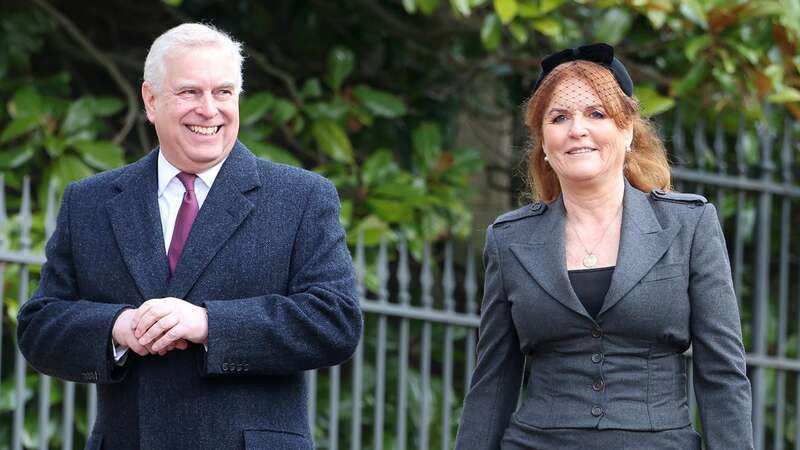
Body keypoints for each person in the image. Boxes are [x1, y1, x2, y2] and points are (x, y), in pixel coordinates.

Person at [17, 23, 362, 450]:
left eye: (223, 92)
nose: (209, 109)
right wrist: (117, 327)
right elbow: (39, 327)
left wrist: (207, 323)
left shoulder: (302, 198)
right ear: (150, 99)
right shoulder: (89, 202)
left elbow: (335, 321)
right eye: (189, 92)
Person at [455, 43, 752, 450]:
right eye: (559, 118)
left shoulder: (689, 224)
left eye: (596, 113)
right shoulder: (510, 241)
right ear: (544, 141)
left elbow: (722, 374)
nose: (577, 129)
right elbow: (492, 382)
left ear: (627, 130)